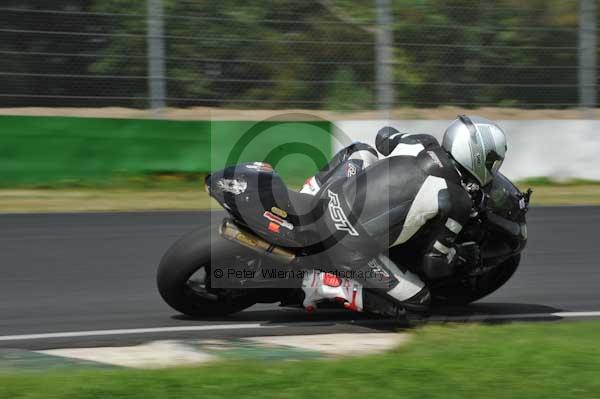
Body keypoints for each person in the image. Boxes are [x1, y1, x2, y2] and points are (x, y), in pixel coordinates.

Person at [299, 115, 508, 316]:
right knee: (418, 302)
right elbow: (434, 265)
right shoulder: (457, 200)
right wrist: (462, 255)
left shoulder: (422, 143)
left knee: (361, 150)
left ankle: (305, 197)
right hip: (348, 247)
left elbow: (383, 136)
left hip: (329, 198)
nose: (493, 168)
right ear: (477, 156)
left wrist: (400, 138)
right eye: (492, 162)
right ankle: (328, 286)